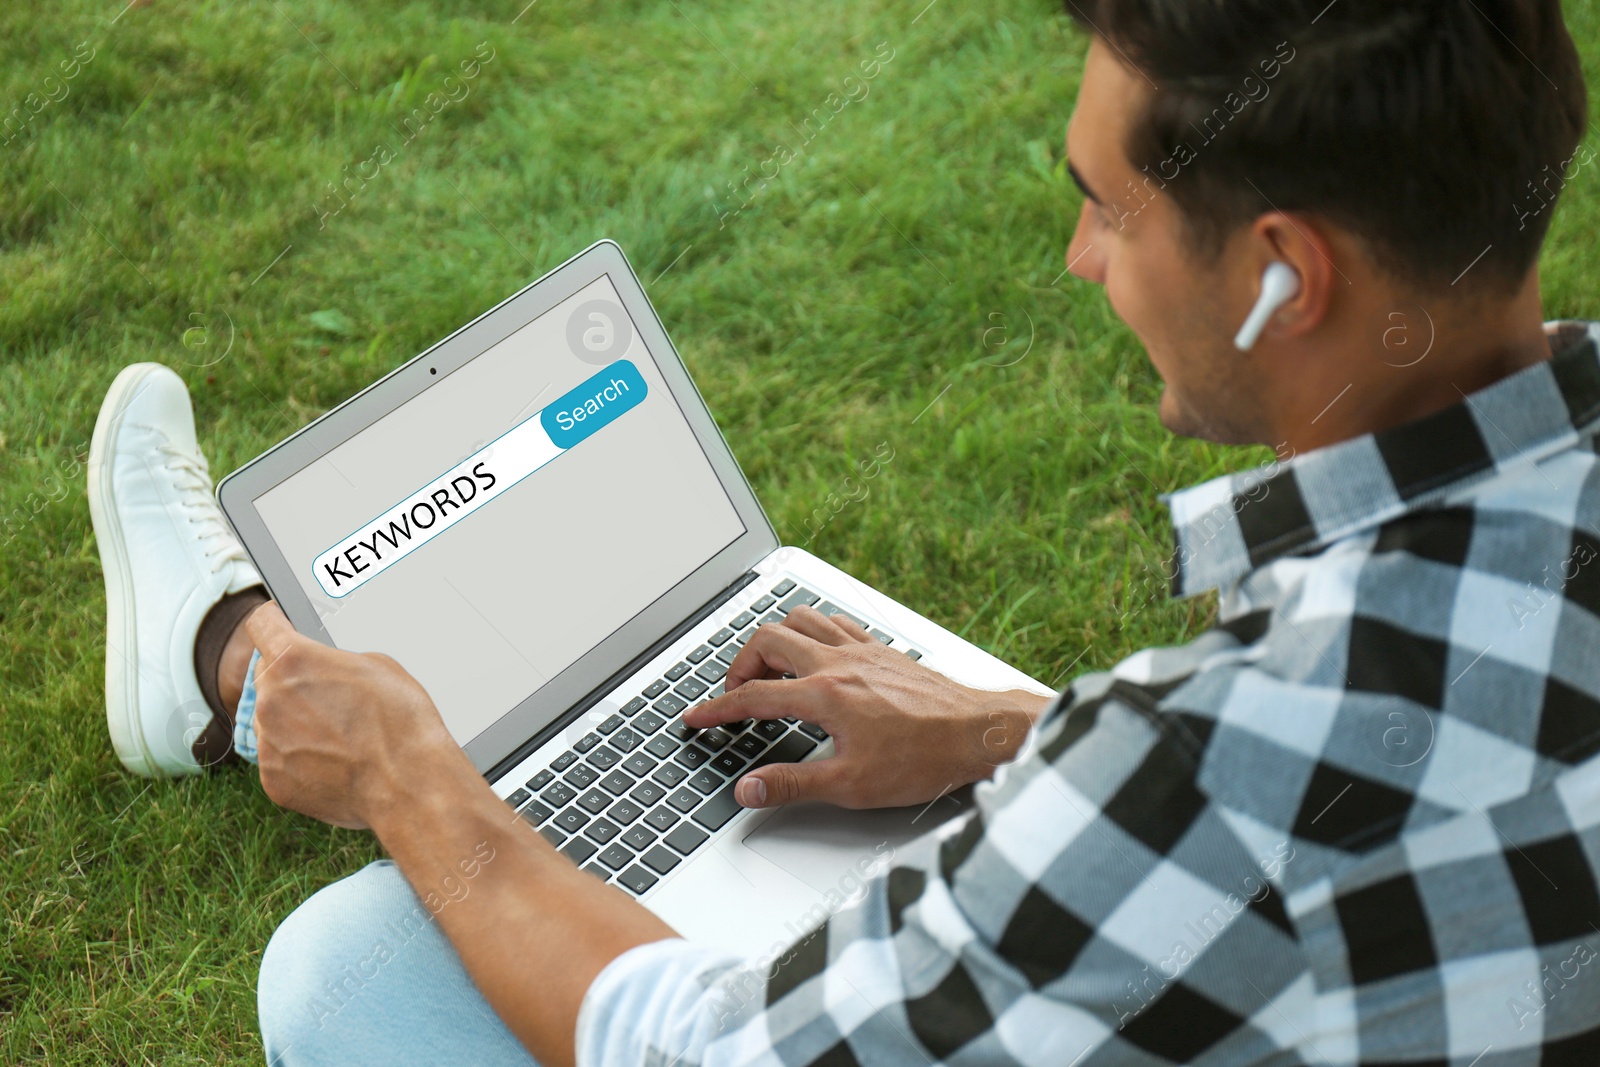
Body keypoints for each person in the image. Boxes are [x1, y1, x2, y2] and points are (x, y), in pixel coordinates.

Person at [86, 0, 1600, 1063]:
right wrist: (1029, 735)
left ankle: (229, 645)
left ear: (1283, 275)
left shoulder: (1216, 774)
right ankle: (225, 650)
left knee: (341, 969)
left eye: (1108, 206)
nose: (1080, 256)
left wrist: (421, 788)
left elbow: (708, 1054)